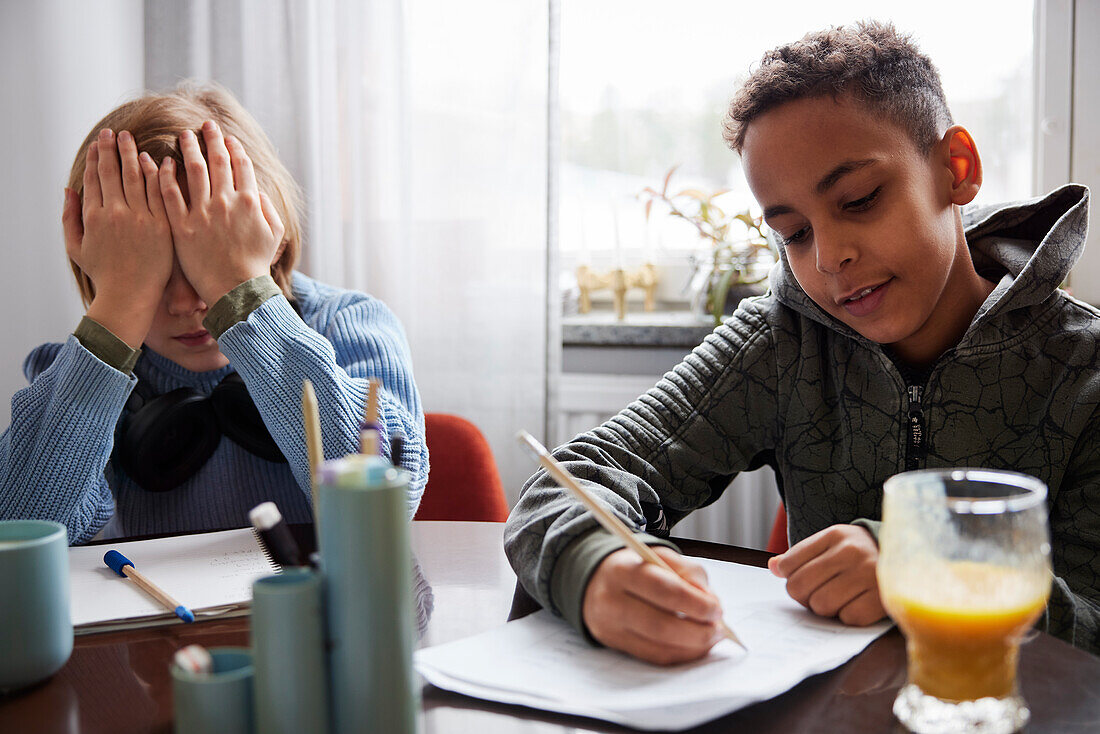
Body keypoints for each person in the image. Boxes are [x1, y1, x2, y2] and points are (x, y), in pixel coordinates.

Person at [505, 20, 1098, 662]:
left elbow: (1090, 625)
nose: (829, 258)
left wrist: (926, 565)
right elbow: (573, 477)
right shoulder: (779, 343)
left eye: (860, 199)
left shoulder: (1083, 369)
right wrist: (600, 566)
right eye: (793, 233)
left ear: (956, 168)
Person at [0, 82, 428, 544]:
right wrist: (119, 309)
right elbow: (21, 534)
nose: (187, 304)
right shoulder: (72, 374)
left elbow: (385, 503)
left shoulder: (351, 327)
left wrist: (242, 295)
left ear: (271, 233)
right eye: (155, 273)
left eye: (205, 263)